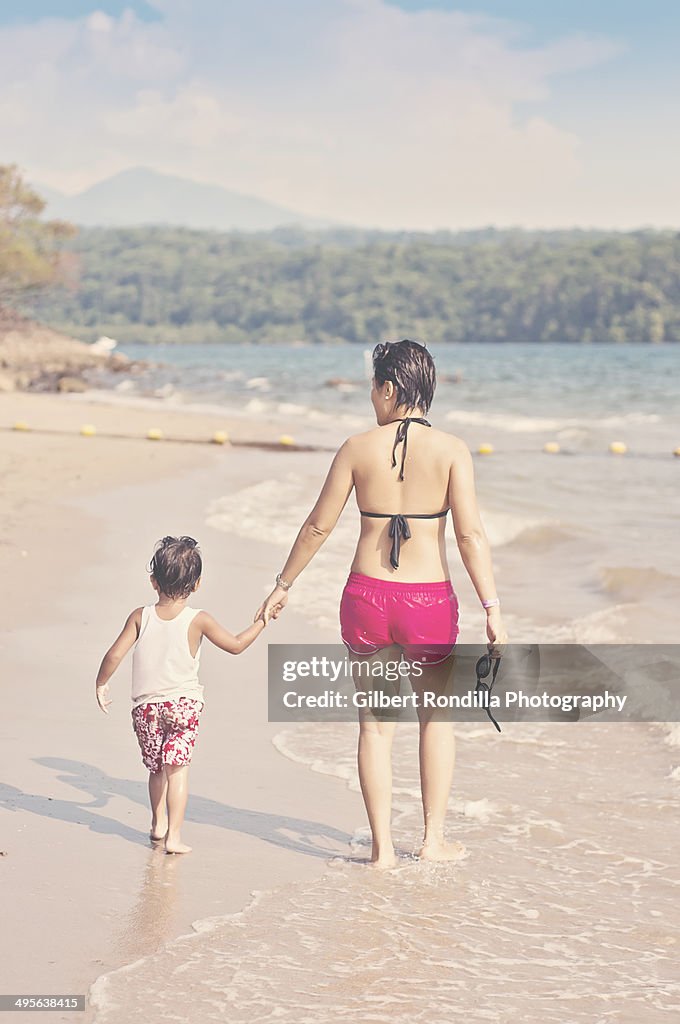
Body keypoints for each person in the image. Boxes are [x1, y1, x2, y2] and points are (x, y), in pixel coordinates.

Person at [256, 340, 508, 869]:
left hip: (366, 598)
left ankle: (382, 851)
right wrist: (491, 604)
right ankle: (433, 840)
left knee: (374, 724)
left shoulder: (355, 447)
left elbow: (318, 525)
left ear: (389, 388)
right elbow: (470, 537)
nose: (372, 396)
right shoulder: (453, 451)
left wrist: (284, 583)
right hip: (428, 601)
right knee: (435, 719)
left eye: (374, 387)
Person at [95, 535, 267, 855]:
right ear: (197, 584)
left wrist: (101, 683)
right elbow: (236, 645)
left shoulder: (140, 616)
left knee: (156, 768)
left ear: (153, 581)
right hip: (183, 706)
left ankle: (158, 823)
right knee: (178, 769)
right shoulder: (198, 619)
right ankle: (174, 836)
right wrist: (261, 622)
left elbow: (114, 655)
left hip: (146, 708)